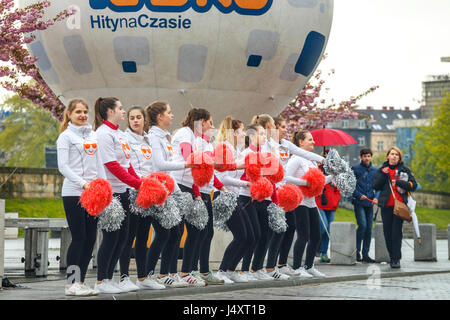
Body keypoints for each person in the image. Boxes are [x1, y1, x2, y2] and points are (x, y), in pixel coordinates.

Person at [171, 108, 227, 286]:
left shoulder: (197, 138)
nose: (212, 126)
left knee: (200, 232)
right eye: (210, 122)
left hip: (194, 188)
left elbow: (202, 167)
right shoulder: (186, 134)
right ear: (201, 121)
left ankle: (190, 271)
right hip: (180, 186)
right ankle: (177, 272)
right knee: (179, 233)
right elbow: (190, 158)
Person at [93, 97, 142, 294]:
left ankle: (110, 278)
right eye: (120, 108)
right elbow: (111, 165)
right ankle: (101, 280)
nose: (124, 111)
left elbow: (126, 163)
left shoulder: (120, 134)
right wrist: (138, 183)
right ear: (110, 112)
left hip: (123, 192)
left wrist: (139, 182)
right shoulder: (103, 134)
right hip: (110, 193)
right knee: (111, 237)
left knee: (123, 238)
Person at [57, 99, 105, 296]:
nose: (83, 115)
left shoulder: (93, 136)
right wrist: (84, 183)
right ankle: (71, 284)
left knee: (90, 239)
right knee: (79, 238)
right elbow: (64, 167)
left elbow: (99, 163)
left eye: (85, 112)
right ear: (69, 114)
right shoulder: (65, 137)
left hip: (94, 194)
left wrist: (104, 187)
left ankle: (81, 281)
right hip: (74, 193)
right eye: (78, 112)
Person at [146, 101, 196, 287]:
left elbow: (168, 170)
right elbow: (159, 165)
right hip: (156, 190)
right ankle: (150, 274)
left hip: (167, 190)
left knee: (174, 233)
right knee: (163, 233)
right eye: (169, 112)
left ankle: (167, 273)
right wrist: (186, 165)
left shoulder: (165, 137)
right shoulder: (153, 137)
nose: (172, 115)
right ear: (160, 117)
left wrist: (177, 192)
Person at [120, 106, 166, 290]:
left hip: (148, 193)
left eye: (138, 117)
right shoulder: (125, 139)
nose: (135, 121)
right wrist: (137, 183)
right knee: (128, 236)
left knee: (143, 236)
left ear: (144, 119)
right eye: (131, 118)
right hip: (132, 191)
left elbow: (153, 166)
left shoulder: (147, 140)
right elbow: (125, 164)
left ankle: (142, 277)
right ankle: (123, 276)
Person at [285, 130, 333, 278]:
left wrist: (333, 176)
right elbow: (285, 177)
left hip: (312, 203)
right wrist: (305, 182)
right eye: (310, 139)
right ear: (301, 142)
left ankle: (309, 266)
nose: (313, 142)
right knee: (303, 235)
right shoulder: (296, 159)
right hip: (299, 202)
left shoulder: (312, 161)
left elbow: (319, 182)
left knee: (316, 236)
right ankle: (297, 267)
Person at [214, 116, 251, 284]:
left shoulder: (235, 150)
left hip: (235, 197)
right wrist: (246, 183)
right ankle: (222, 271)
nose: (244, 133)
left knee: (250, 236)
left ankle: (230, 270)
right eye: (242, 130)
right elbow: (222, 178)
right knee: (242, 235)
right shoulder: (224, 148)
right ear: (234, 132)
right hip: (224, 196)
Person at [373, 147, 417, 269]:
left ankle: (396, 259)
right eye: (392, 154)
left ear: (399, 158)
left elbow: (413, 185)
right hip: (386, 206)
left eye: (397, 155)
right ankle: (392, 256)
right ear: (387, 156)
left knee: (396, 233)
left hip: (400, 207)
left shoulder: (404, 170)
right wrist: (384, 175)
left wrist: (397, 183)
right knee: (387, 233)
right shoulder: (382, 170)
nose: (394, 156)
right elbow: (376, 185)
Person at [351, 148, 379, 263]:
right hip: (359, 202)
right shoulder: (355, 169)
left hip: (370, 203)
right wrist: (358, 195)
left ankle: (365, 254)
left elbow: (378, 187)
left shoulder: (375, 171)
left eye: (368, 156)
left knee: (369, 228)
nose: (366, 158)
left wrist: (376, 197)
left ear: (371, 157)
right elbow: (350, 186)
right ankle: (357, 251)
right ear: (361, 157)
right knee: (362, 225)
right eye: (364, 156)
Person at [315, 162, 341, 263]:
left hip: (332, 206)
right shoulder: (317, 171)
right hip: (320, 204)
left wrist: (335, 200)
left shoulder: (334, 173)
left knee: (328, 230)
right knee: (323, 227)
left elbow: (338, 189)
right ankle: (315, 246)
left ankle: (324, 253)